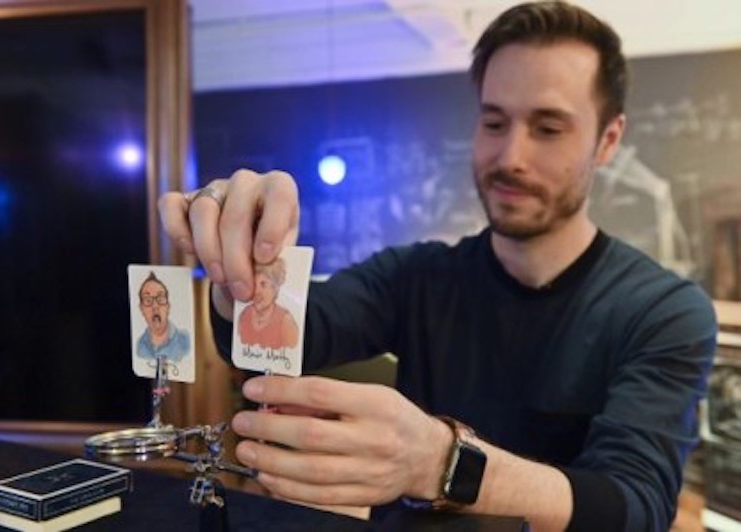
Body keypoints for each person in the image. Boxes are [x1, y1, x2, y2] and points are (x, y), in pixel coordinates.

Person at [159, 2, 716, 530]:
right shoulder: (416, 276)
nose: (511, 157)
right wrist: (242, 269)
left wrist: (443, 462)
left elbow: (635, 508)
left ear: (607, 140)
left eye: (548, 128)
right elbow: (288, 335)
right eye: (494, 123)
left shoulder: (664, 310)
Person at [237, 258, 299, 349]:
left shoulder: (285, 321)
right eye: (253, 284)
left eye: (263, 284)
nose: (256, 291)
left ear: (275, 288)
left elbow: (292, 352)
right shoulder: (244, 315)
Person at [136, 271, 190, 362]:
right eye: (148, 300)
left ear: (168, 307)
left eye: (160, 299)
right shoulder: (140, 347)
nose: (155, 306)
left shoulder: (184, 341)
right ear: (141, 309)